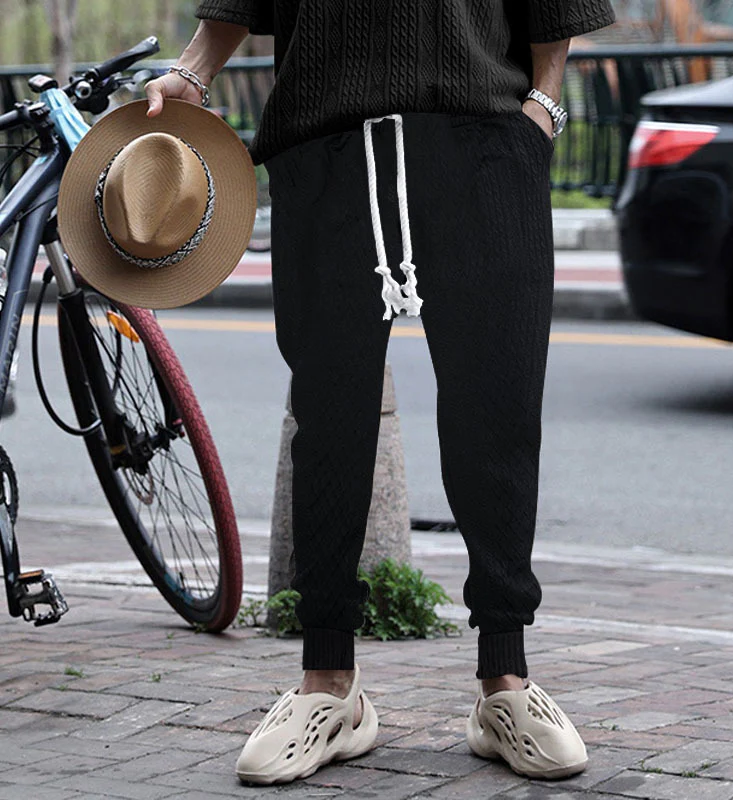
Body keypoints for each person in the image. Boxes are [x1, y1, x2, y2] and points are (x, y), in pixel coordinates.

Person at [146, 0, 615, 786]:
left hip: (485, 139)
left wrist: (541, 106)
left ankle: (505, 680)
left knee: (496, 408)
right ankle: (328, 685)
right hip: (325, 141)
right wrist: (194, 71)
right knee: (328, 418)